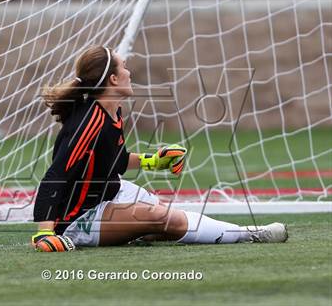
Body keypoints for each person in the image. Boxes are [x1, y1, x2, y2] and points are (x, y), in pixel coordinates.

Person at [31, 46, 288, 252]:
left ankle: (236, 232)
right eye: (124, 67)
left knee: (167, 217)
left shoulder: (113, 112)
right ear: (112, 79)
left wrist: (154, 161)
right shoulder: (89, 121)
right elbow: (56, 175)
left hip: (109, 193)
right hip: (77, 216)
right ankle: (251, 235)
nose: (129, 72)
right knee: (163, 218)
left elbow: (117, 162)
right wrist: (45, 233)